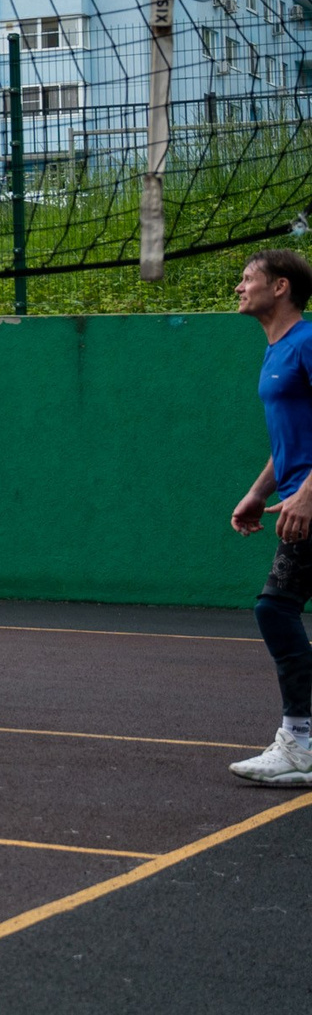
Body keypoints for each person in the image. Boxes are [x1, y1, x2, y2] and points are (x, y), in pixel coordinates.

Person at [227, 248, 312, 786]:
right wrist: (260, 491)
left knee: (274, 608)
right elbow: (291, 438)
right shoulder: (276, 350)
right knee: (277, 610)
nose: (239, 287)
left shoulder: (307, 342)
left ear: (280, 287)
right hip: (295, 497)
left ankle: (298, 742)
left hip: (311, 504)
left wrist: (306, 493)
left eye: (248, 279)